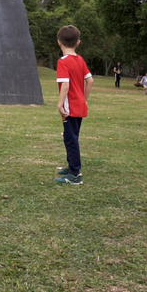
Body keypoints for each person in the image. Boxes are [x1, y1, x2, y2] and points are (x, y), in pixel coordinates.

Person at [55, 25, 94, 185]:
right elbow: (90, 80)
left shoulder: (63, 62)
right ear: (78, 42)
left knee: (70, 139)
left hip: (70, 108)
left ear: (59, 42)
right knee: (71, 137)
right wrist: (83, 99)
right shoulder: (80, 60)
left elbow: (65, 85)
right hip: (79, 106)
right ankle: (72, 167)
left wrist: (59, 104)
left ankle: (75, 175)